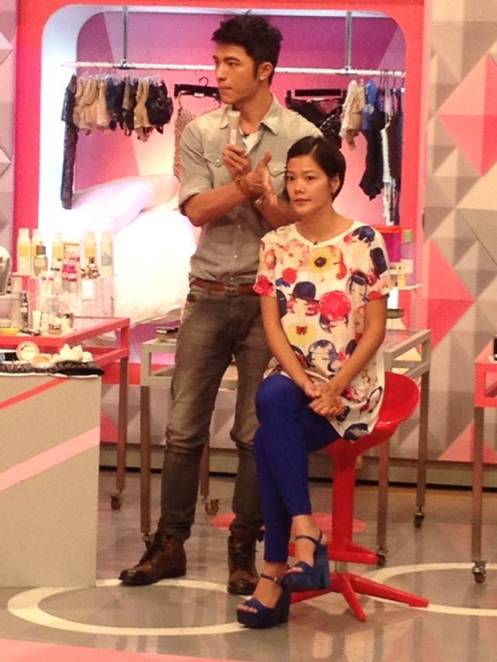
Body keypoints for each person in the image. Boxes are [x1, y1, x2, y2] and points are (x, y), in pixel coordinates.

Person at [119, 15, 320, 595]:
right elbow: (196, 210)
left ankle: (244, 548)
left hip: (267, 301)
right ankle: (169, 544)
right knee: (184, 427)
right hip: (207, 292)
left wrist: (260, 196)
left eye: (232, 64)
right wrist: (246, 188)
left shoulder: (301, 135)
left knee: (255, 432)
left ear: (265, 70)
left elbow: (297, 224)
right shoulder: (202, 132)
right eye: (217, 63)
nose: (220, 75)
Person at [237, 135, 390, 628]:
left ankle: (273, 571)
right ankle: (305, 531)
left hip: (351, 387)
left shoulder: (365, 241)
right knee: (273, 393)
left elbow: (375, 330)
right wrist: (306, 382)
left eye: (310, 178)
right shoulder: (275, 244)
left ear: (335, 182)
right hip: (296, 378)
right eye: (291, 178)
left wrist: (334, 386)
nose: (298, 188)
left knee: (268, 440)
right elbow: (273, 327)